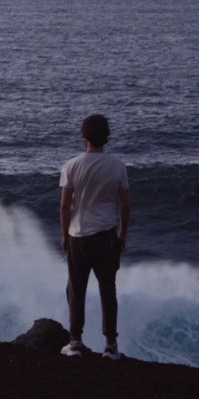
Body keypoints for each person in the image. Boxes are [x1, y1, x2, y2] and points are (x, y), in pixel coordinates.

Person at [59, 114, 130, 360]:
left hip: (78, 235)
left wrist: (64, 236)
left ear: (84, 136)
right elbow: (125, 205)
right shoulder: (117, 166)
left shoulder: (72, 165)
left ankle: (75, 342)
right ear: (107, 137)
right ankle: (110, 346)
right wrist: (123, 233)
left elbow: (65, 206)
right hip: (107, 235)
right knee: (108, 290)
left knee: (76, 290)